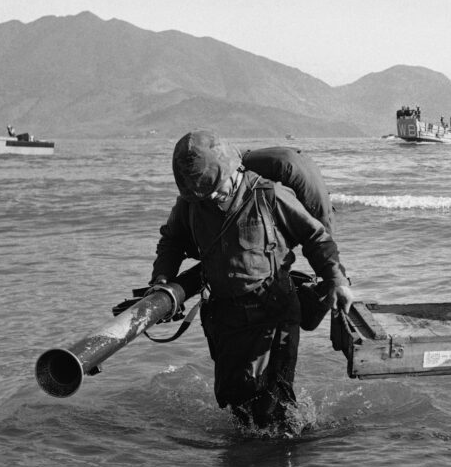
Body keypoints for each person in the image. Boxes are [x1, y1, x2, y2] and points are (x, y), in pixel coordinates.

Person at [151, 130, 353, 430]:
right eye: (202, 195)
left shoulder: (269, 196)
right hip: (225, 316)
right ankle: (250, 463)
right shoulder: (192, 203)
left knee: (275, 406)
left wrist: (336, 281)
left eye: (217, 191)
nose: (211, 199)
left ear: (233, 173)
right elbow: (171, 241)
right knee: (235, 402)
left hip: (272, 311)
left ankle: (283, 461)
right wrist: (161, 280)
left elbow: (315, 237)